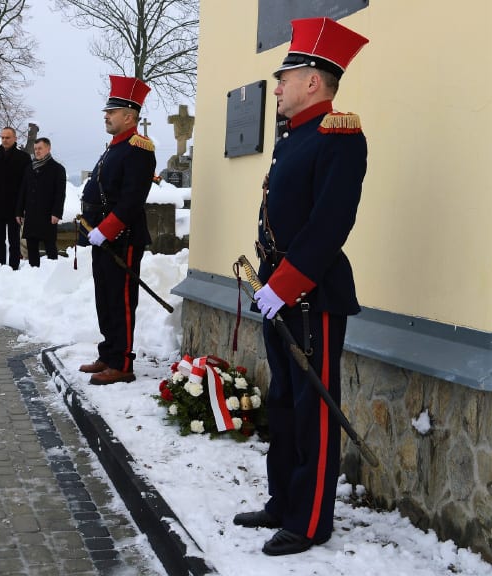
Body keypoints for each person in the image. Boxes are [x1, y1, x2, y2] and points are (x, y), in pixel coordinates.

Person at [232, 17, 369, 557]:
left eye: (286, 76)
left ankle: (311, 520)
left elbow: (330, 223)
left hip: (312, 297)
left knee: (313, 410)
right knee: (285, 402)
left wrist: (286, 284)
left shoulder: (339, 137)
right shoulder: (294, 138)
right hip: (280, 293)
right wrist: (269, 283)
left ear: (314, 80)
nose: (279, 86)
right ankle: (283, 502)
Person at [78, 75, 156, 386]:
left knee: (121, 299)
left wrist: (107, 229)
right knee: (104, 297)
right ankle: (109, 352)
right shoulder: (115, 147)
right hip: (103, 237)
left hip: (122, 238)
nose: (106, 116)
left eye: (112, 112)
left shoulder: (139, 148)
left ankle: (122, 362)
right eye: (107, 112)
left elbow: (132, 200)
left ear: (129, 116)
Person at [16, 137, 66, 267]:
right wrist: (19, 212)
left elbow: (60, 194)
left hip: (48, 215)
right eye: (35, 149)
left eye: (40, 148)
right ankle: (34, 273)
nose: (37, 151)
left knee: (50, 247)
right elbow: (23, 191)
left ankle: (51, 275)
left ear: (48, 149)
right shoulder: (29, 168)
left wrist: (56, 213)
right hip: (31, 214)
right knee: (31, 246)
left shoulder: (58, 169)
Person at [0, 126, 30, 270]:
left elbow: (26, 185)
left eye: (8, 137)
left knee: (14, 240)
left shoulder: (23, 158)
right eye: (3, 137)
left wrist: (22, 207)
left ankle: (13, 268)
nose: (4, 140)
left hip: (15, 207)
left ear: (15, 139)